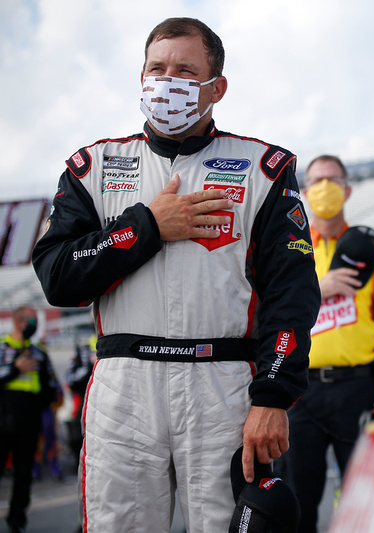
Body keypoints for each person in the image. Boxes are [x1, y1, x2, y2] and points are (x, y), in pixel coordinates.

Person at [31, 17, 320, 533]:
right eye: (156, 69)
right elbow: (58, 277)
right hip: (124, 389)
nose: (167, 82)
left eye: (185, 71)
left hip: (223, 388)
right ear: (141, 78)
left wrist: (273, 396)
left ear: (217, 88)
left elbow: (291, 296)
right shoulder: (92, 167)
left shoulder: (265, 169)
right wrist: (145, 226)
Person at [273, 155, 374, 532]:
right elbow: (268, 313)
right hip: (300, 393)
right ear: (304, 192)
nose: (324, 188)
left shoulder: (370, 250)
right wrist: (319, 289)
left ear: (348, 190)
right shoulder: (289, 247)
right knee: (296, 502)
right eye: (316, 180)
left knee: (366, 500)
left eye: (333, 180)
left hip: (359, 391)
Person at [0, 306, 60, 533]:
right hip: (2, 420)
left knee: (24, 474)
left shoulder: (39, 352)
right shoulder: (2, 346)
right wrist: (15, 369)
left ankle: (16, 521)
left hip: (29, 422)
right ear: (19, 321)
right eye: (32, 320)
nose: (34, 325)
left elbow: (51, 387)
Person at [63, 336, 97, 471]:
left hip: (110, 404)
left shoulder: (119, 343)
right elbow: (69, 379)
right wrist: (90, 365)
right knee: (78, 435)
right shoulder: (82, 349)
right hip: (83, 402)